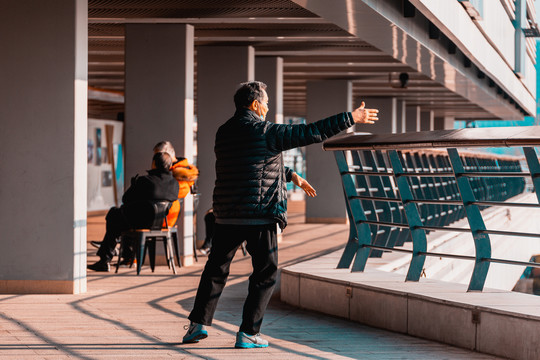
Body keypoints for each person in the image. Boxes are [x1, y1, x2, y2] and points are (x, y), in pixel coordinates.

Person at [182, 81, 379, 348]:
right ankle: (248, 332)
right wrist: (350, 118)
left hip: (227, 214)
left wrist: (291, 175)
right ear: (254, 104)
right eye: (265, 102)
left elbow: (250, 164)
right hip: (259, 214)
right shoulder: (266, 131)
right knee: (265, 273)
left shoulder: (224, 132)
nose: (267, 108)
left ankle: (197, 325)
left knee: (215, 270)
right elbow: (311, 132)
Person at [88, 152, 180, 272]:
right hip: (160, 222)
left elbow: (125, 199)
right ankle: (126, 257)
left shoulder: (145, 180)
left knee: (114, 215)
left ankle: (106, 259)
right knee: (123, 217)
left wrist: (134, 185)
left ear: (154, 164)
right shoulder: (174, 184)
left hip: (139, 222)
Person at [153, 141, 199, 227]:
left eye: (158, 156)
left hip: (164, 216)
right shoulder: (184, 171)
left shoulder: (178, 175)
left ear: (167, 155)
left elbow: (166, 195)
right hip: (163, 214)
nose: (156, 160)